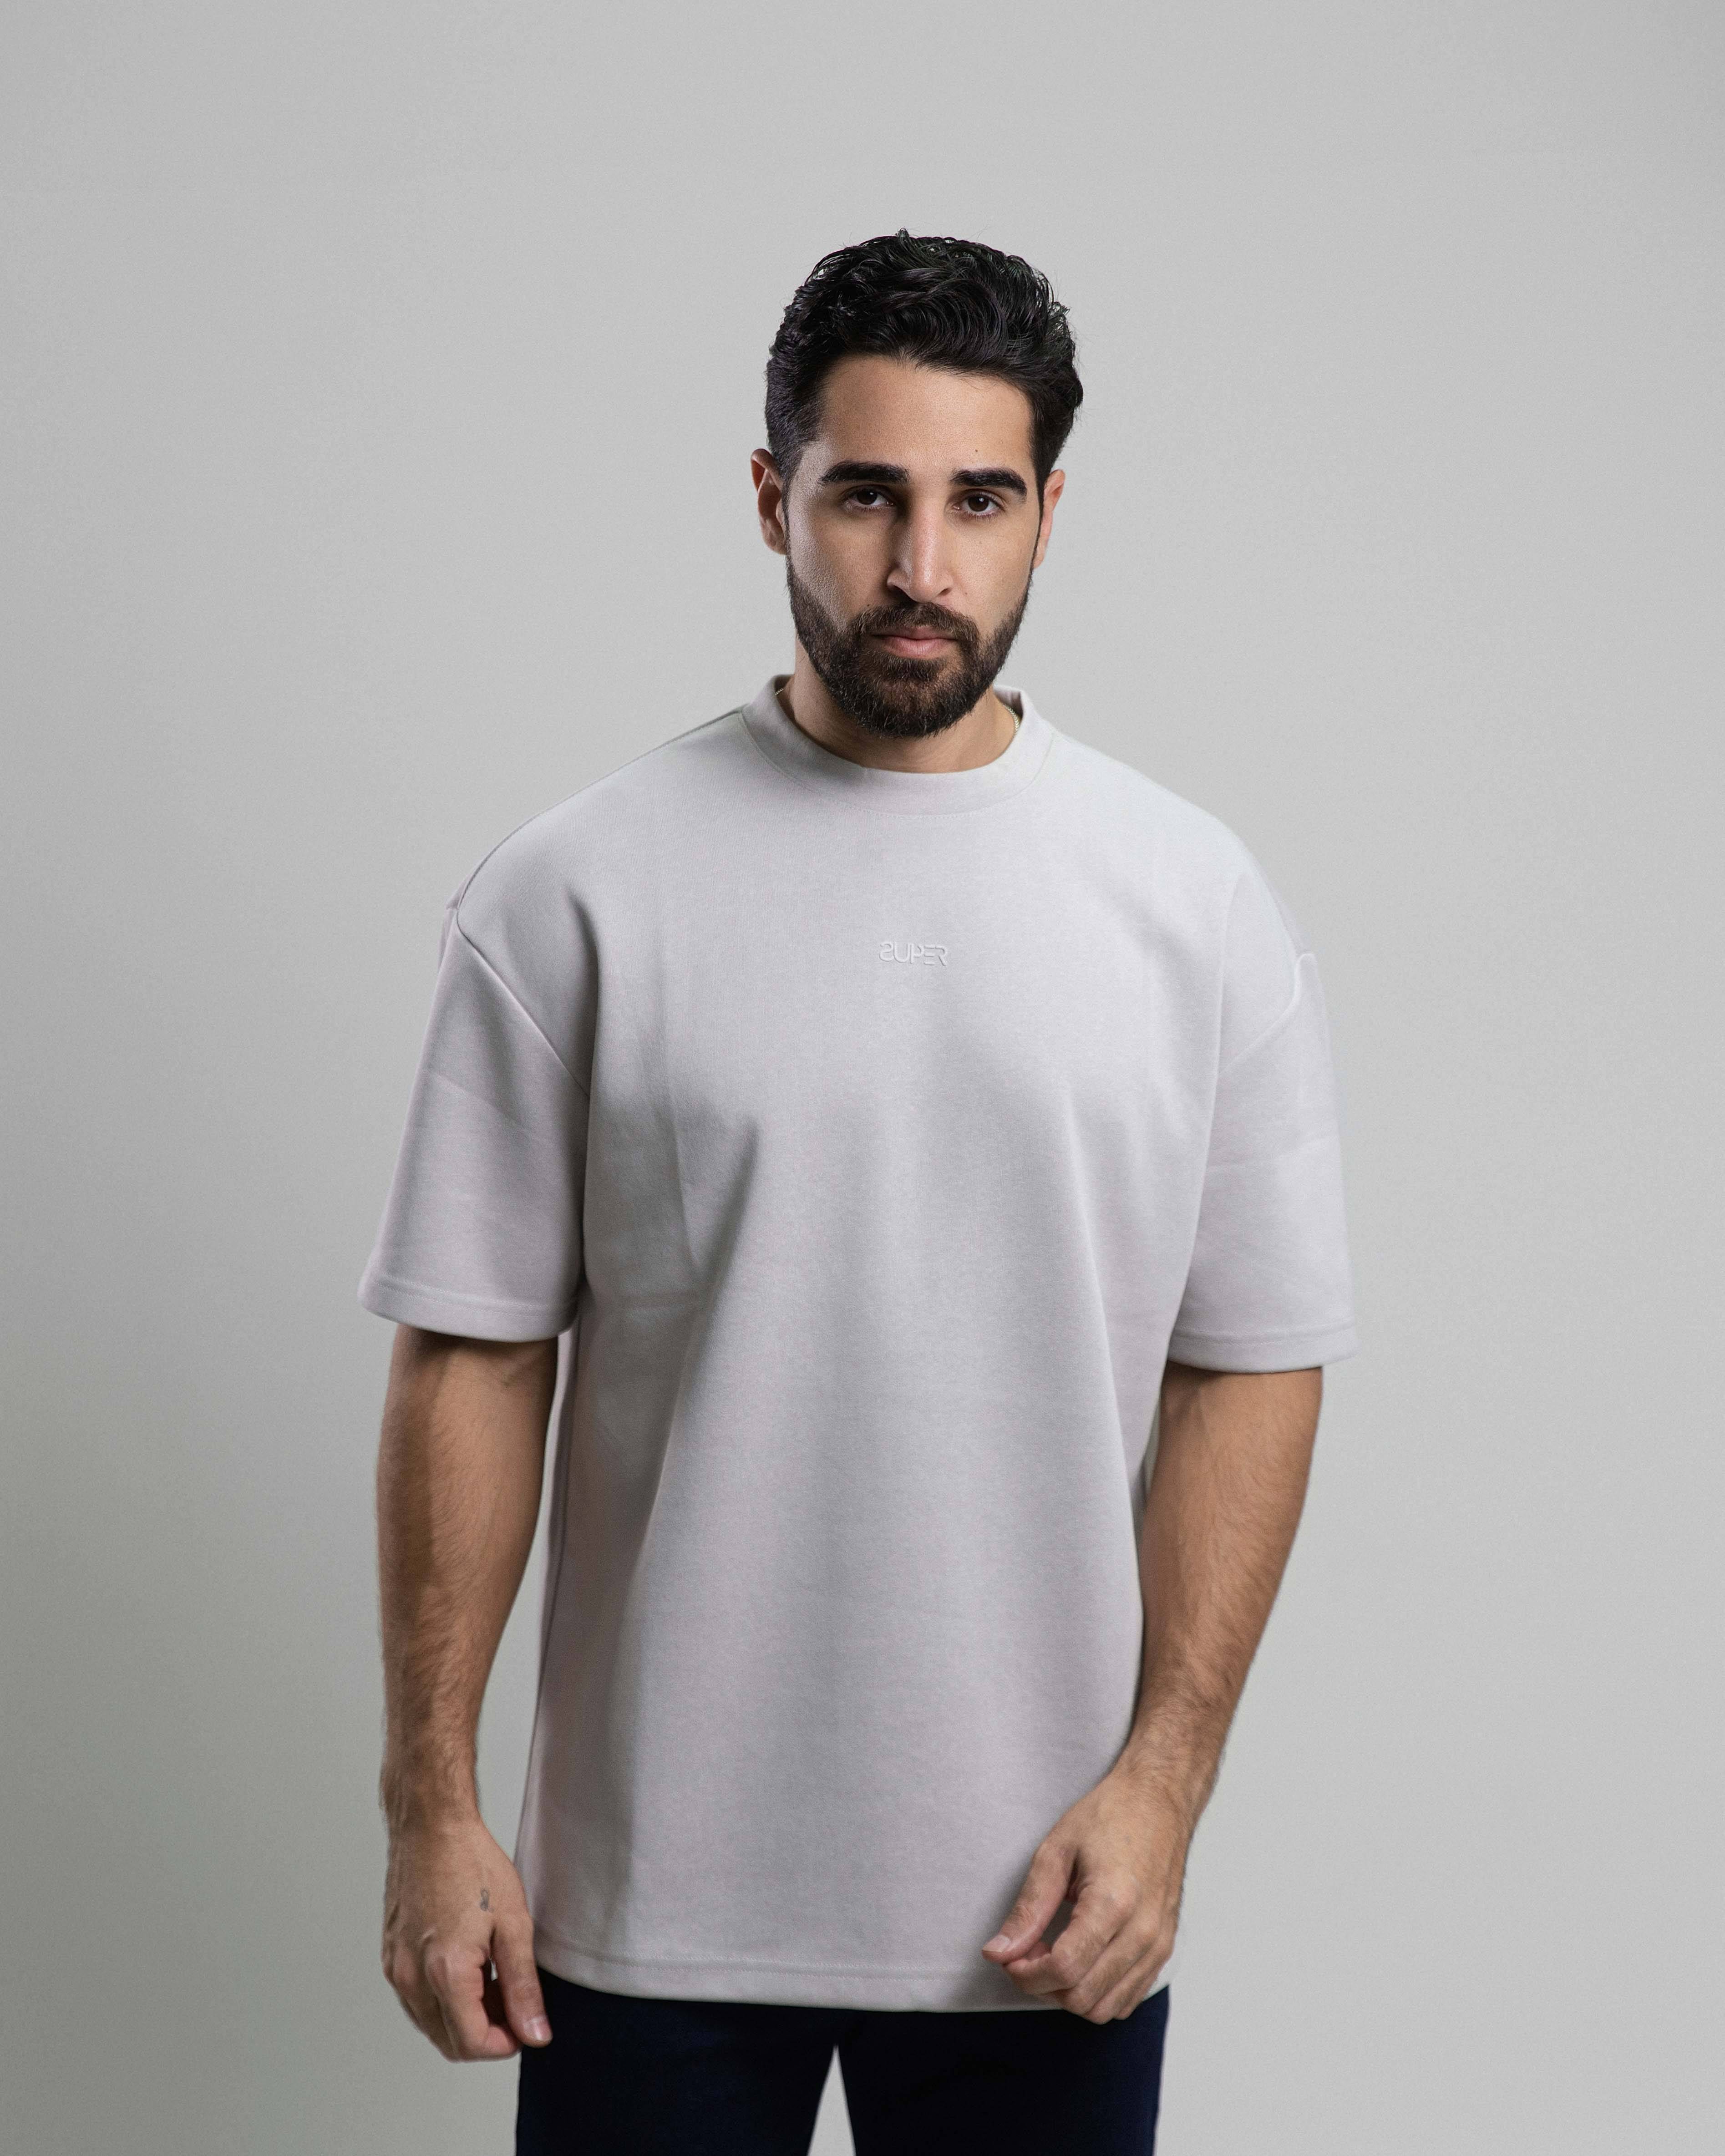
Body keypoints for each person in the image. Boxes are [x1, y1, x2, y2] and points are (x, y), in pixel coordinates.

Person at [359, 230, 1358, 2153]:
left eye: (981, 500)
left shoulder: (1196, 907)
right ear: (773, 499)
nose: (922, 566)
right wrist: (432, 1803)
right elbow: (470, 1357)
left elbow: (1252, 1362)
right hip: (639, 1903)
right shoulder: (575, 891)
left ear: (1050, 513)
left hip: (1050, 1901)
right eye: (866, 495)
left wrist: (1167, 1783)